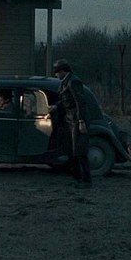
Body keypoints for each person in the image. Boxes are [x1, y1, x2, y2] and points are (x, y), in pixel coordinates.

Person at [49, 59, 92, 187]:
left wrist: (81, 121)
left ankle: (86, 179)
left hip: (76, 118)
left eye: (57, 72)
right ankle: (77, 176)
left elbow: (80, 102)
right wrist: (56, 107)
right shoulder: (66, 82)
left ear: (63, 71)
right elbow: (65, 99)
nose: (56, 75)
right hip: (70, 118)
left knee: (79, 149)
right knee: (72, 149)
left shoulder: (73, 81)